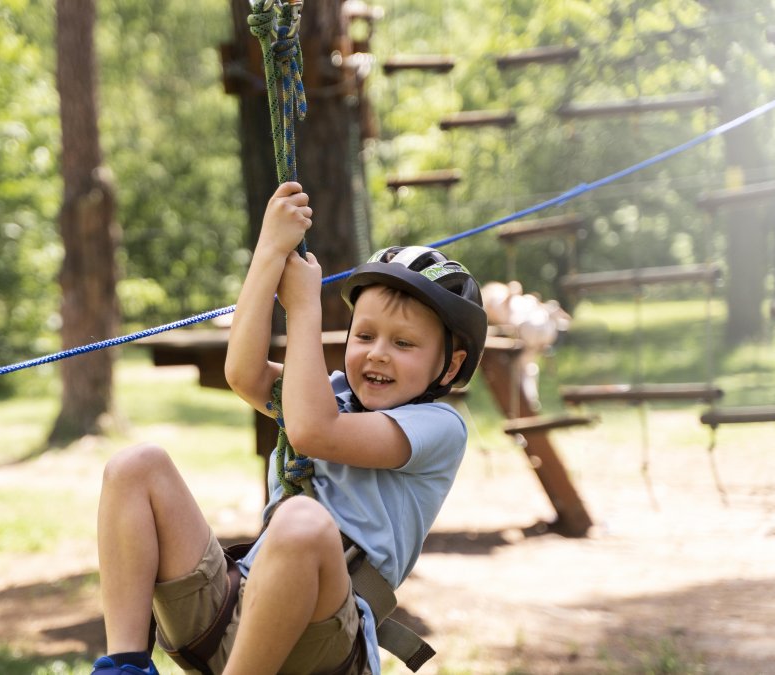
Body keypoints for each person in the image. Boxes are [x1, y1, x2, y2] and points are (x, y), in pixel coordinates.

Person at [92, 182, 487, 674]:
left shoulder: (438, 428)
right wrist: (270, 251)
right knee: (137, 466)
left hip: (320, 643)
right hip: (235, 615)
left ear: (450, 368)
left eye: (405, 344)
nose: (378, 352)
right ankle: (124, 664)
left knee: (302, 522)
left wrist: (304, 308)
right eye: (364, 335)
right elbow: (245, 373)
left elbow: (313, 432)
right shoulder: (333, 393)